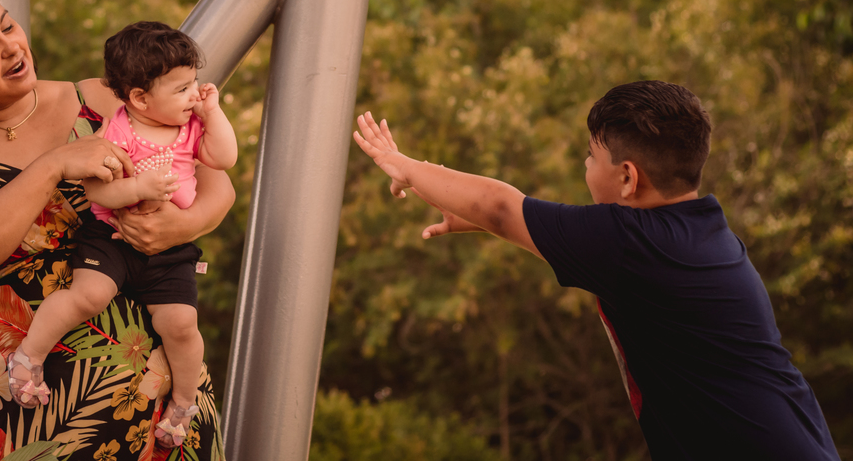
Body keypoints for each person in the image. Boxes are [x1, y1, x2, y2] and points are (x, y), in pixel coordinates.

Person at [353, 80, 839, 460]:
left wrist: (403, 164)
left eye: (590, 156)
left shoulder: (632, 245)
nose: (585, 167)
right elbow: (521, 225)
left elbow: (502, 206)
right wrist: (483, 221)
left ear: (628, 177)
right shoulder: (698, 234)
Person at [0, 0, 233, 460]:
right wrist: (53, 166)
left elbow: (217, 186)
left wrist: (181, 226)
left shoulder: (98, 99)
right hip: (38, 415)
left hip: (164, 405)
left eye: (8, 27)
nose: (11, 47)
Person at [6, 22, 237, 449]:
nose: (195, 94)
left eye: (196, 83)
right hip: (110, 236)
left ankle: (184, 403)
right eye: (183, 88)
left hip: (171, 249)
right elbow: (95, 188)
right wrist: (137, 189)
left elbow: (225, 157)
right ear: (139, 98)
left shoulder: (191, 127)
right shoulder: (120, 129)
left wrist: (213, 112)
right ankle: (28, 357)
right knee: (87, 296)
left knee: (182, 323)